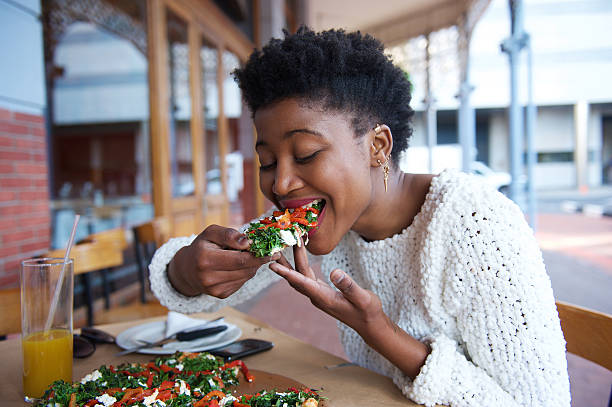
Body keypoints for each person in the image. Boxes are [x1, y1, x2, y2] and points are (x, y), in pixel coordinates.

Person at [149, 27, 570, 406]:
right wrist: (190, 268)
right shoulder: (323, 216)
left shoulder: (475, 224)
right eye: (266, 162)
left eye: (307, 154)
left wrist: (380, 333)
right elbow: (192, 289)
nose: (280, 184)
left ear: (378, 147)